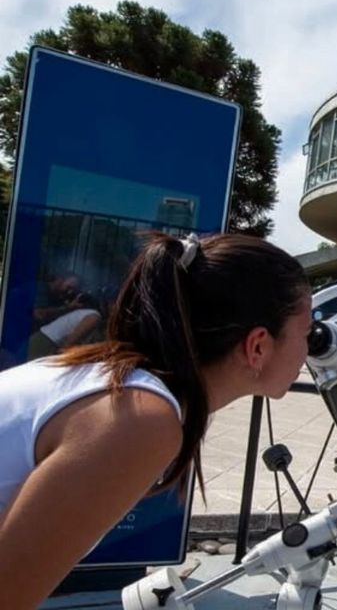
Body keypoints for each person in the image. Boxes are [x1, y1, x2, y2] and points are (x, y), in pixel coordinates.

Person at [0, 232, 311, 610]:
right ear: (258, 345)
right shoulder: (140, 419)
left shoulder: (121, 383)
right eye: (307, 332)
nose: (310, 348)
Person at [27, 292, 103, 360]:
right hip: (46, 343)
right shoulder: (94, 316)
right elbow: (73, 339)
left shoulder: (81, 313)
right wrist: (60, 355)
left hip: (41, 338)